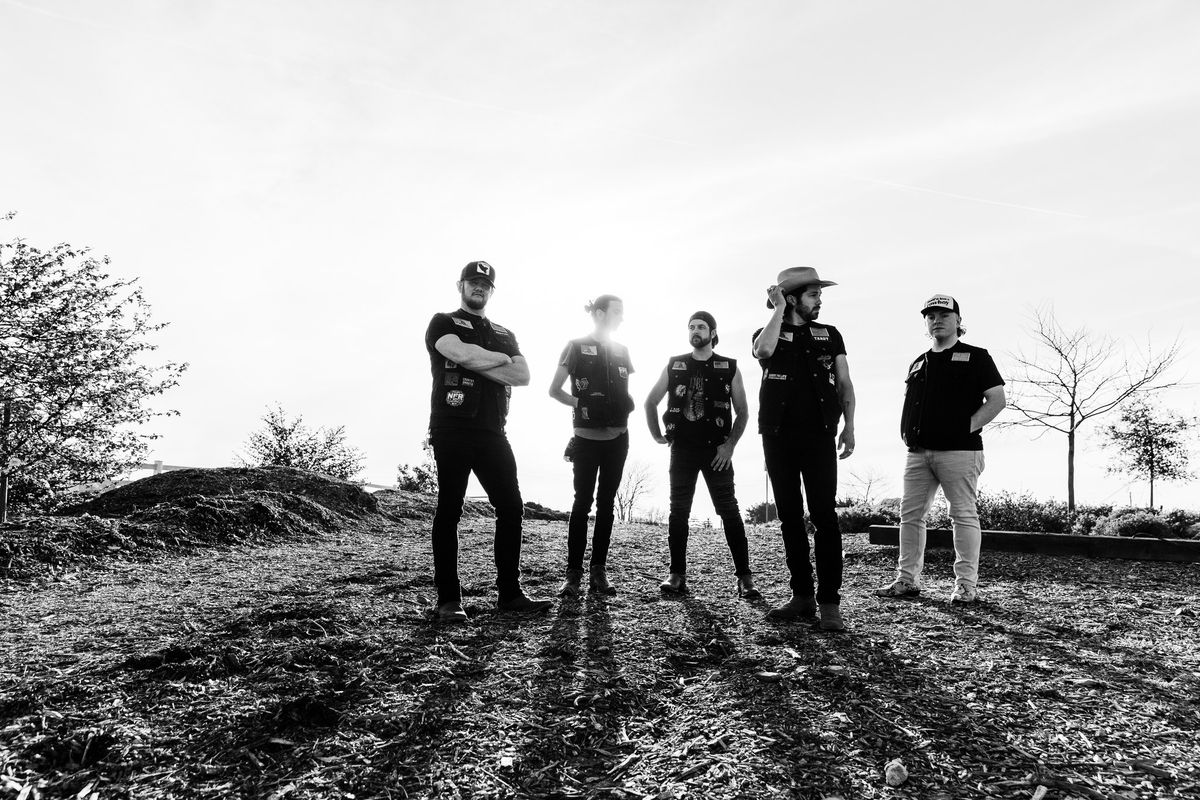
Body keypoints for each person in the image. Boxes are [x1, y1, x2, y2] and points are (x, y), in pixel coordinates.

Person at [424, 261, 553, 622]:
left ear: (491, 291)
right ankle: (449, 600)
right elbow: (457, 352)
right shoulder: (443, 321)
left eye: (485, 284)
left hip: (493, 432)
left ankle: (510, 594)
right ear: (461, 285)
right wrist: (498, 362)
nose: (479, 288)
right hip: (451, 427)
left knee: (512, 507)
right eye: (473, 282)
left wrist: (482, 360)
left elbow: (523, 374)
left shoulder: (504, 332)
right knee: (450, 510)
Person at [876, 294, 1006, 604]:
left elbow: (997, 400)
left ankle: (965, 586)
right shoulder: (918, 361)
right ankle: (906, 580)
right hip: (918, 452)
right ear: (925, 322)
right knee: (910, 517)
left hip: (960, 451)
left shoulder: (976, 356)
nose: (937, 319)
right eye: (931, 315)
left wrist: (965, 428)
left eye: (944, 314)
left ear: (959, 321)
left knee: (962, 516)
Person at [752, 266, 857, 631]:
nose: (820, 300)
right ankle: (802, 596)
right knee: (790, 518)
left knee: (825, 517)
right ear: (793, 297)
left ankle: (830, 603)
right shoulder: (771, 331)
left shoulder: (830, 335)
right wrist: (777, 308)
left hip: (820, 435)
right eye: (813, 295)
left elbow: (844, 383)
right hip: (777, 436)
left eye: (820, 294)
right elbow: (762, 351)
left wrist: (850, 426)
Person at [644, 311, 758, 598]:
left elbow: (743, 410)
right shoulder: (675, 364)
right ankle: (676, 575)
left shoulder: (729, 366)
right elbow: (650, 401)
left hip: (716, 450)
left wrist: (730, 445)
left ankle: (745, 578)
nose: (695, 331)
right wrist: (657, 435)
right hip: (681, 448)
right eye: (691, 327)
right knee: (678, 511)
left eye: (701, 327)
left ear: (712, 332)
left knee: (729, 510)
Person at [548, 295, 635, 596]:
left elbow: (623, 388)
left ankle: (599, 570)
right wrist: (581, 403)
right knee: (582, 503)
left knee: (607, 504)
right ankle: (572, 574)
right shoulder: (574, 346)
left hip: (619, 438)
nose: (622, 317)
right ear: (599, 313)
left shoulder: (622, 350)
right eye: (617, 311)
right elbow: (554, 390)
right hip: (586, 438)